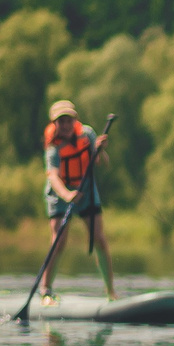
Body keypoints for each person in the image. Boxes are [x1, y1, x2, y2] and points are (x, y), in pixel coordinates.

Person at [42, 99, 115, 300]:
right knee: (59, 241)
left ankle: (111, 292)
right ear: (55, 123)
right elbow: (53, 177)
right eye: (61, 121)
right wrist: (67, 195)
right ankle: (46, 290)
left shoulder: (87, 134)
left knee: (99, 239)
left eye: (69, 120)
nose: (66, 125)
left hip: (86, 192)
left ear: (75, 120)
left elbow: (102, 162)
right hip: (60, 195)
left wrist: (100, 149)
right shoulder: (53, 148)